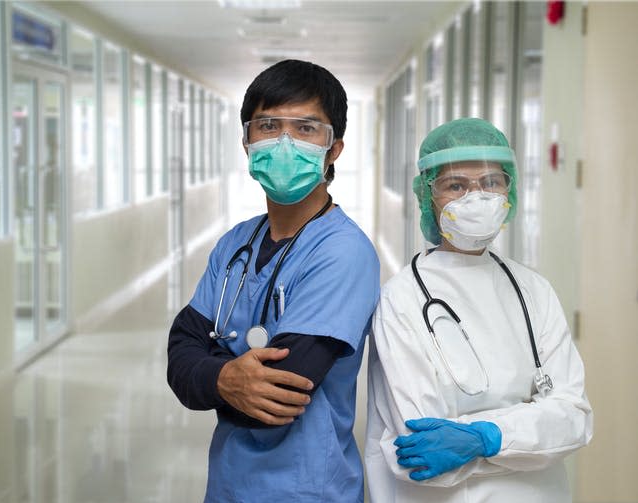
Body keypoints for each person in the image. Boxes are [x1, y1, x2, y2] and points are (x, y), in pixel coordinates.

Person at [167, 59, 380, 502]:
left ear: (334, 148)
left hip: (308, 488)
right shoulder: (236, 243)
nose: (284, 142)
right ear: (247, 141)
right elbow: (178, 356)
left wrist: (208, 373)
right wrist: (226, 378)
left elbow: (279, 395)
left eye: (305, 128)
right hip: (229, 483)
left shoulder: (342, 251)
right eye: (267, 125)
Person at [364, 118, 593, 502]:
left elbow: (575, 419)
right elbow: (420, 452)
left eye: (491, 182)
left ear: (510, 190)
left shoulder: (533, 289)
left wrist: (485, 439)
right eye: (456, 185)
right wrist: (529, 433)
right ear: (427, 195)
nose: (477, 197)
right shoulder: (401, 299)